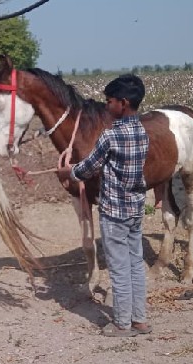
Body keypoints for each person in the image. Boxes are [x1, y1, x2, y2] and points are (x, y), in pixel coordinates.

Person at [57, 74, 153, 337]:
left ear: (123, 103)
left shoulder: (110, 137)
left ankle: (122, 324)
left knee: (119, 268)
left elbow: (87, 168)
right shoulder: (142, 133)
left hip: (113, 213)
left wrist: (67, 172)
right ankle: (140, 320)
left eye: (109, 101)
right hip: (135, 209)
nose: (106, 105)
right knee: (135, 263)